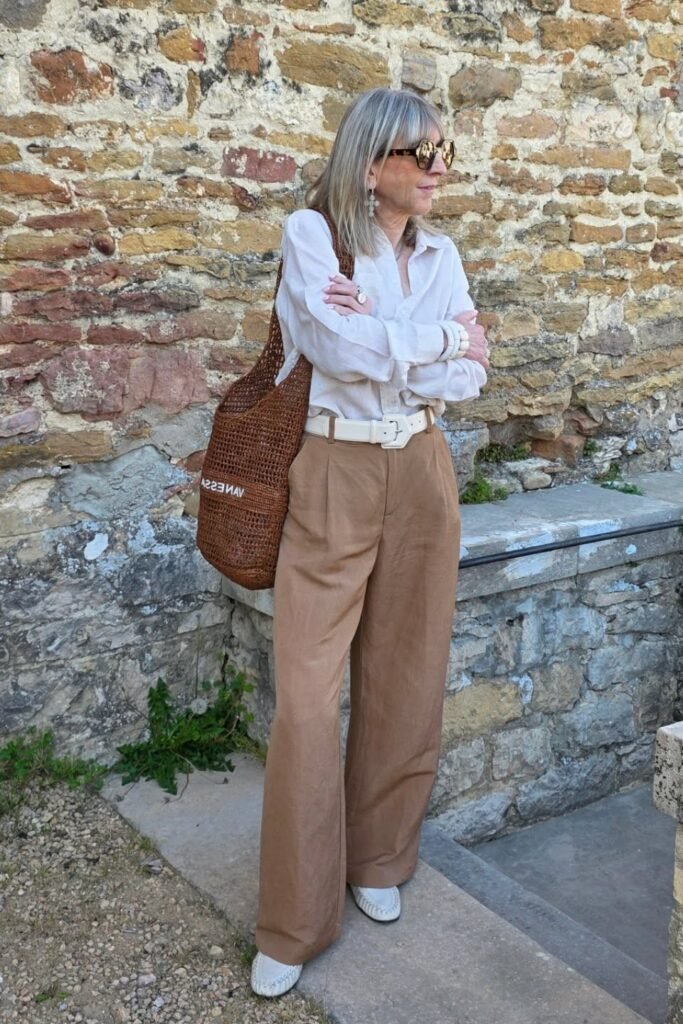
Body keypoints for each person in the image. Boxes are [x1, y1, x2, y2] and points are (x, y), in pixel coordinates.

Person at [250, 87, 490, 998]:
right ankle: (294, 918)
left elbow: (471, 373)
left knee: (406, 671)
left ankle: (379, 861)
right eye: (420, 156)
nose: (438, 172)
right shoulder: (312, 234)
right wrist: (433, 336)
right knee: (308, 697)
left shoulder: (445, 252)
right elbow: (339, 352)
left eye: (442, 154)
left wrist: (409, 342)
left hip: (420, 468)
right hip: (332, 471)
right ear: (370, 160)